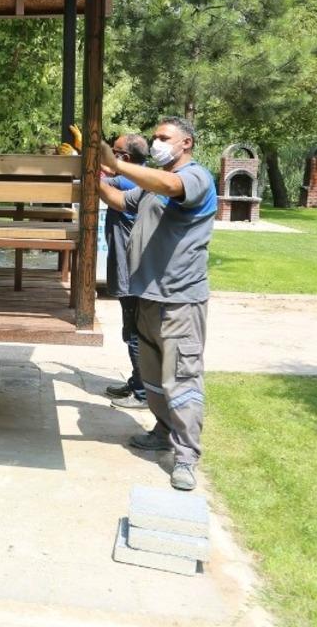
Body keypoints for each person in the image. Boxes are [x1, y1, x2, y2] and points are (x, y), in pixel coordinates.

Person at [97, 116, 216, 491]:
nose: (157, 142)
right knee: (153, 377)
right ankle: (163, 432)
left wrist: (117, 166)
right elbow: (119, 199)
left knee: (182, 378)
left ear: (186, 143)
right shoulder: (152, 185)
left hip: (180, 300)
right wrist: (91, 174)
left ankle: (186, 457)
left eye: (164, 137)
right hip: (147, 295)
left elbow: (171, 186)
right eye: (154, 137)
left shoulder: (194, 178)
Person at [102, 133, 150, 410]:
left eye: (114, 150)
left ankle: (143, 393)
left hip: (132, 271)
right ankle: (136, 382)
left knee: (135, 332)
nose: (111, 154)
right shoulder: (141, 176)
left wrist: (82, 160)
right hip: (132, 268)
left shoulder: (128, 181)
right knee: (132, 328)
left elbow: (97, 181)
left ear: (125, 158)